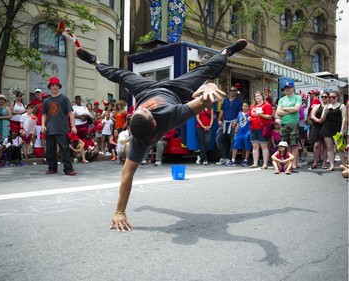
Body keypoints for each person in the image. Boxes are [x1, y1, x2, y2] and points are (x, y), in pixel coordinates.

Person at [76, 38, 248, 231]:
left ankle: (95, 62)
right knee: (205, 71)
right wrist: (119, 212)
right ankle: (225, 53)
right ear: (153, 123)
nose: (144, 110)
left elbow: (126, 174)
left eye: (141, 111)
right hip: (175, 90)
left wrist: (207, 88)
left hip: (145, 90)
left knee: (121, 75)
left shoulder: (156, 116)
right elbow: (127, 175)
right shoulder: (163, 121)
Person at [41, 77, 77, 176]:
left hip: (62, 128)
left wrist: (73, 126)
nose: (55, 87)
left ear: (59, 87)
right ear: (50, 87)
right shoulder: (46, 101)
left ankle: (68, 169)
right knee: (50, 150)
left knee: (64, 149)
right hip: (50, 128)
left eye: (56, 85)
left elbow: (70, 113)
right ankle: (52, 168)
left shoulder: (64, 98)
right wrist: (43, 125)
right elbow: (44, 114)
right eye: (53, 85)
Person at [276, 81, 302, 172]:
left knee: (294, 144)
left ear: (293, 88)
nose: (287, 89)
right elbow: (278, 112)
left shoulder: (297, 97)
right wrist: (291, 110)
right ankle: (287, 163)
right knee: (285, 144)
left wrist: (284, 109)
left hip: (294, 123)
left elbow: (297, 108)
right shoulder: (282, 99)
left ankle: (294, 163)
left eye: (289, 87)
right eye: (286, 88)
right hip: (284, 123)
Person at [215, 85, 243, 165]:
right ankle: (224, 157)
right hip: (225, 123)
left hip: (233, 123)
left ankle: (230, 159)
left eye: (234, 90)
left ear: (236, 92)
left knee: (232, 141)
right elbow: (222, 110)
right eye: (231, 90)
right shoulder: (226, 101)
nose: (232, 92)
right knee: (218, 139)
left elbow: (240, 113)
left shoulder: (239, 102)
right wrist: (219, 120)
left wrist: (237, 122)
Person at [319, 91, 347, 171]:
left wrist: (342, 130)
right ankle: (332, 165)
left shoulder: (342, 106)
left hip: (337, 127)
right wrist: (325, 113)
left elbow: (344, 118)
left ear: (338, 97)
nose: (331, 98)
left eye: (333, 97)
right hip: (327, 127)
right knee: (329, 147)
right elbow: (322, 119)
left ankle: (344, 165)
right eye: (330, 97)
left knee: (339, 147)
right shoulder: (327, 106)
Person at [248, 91, 273, 169]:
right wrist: (249, 118)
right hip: (253, 128)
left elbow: (269, 116)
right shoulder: (252, 106)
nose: (257, 97)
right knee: (255, 146)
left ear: (262, 96)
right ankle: (255, 163)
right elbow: (249, 115)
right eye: (255, 96)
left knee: (264, 146)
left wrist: (261, 115)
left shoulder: (267, 105)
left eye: (258, 96)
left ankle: (265, 164)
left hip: (262, 128)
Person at [226, 101, 251, 167]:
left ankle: (245, 160)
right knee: (235, 146)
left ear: (249, 107)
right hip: (240, 132)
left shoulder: (250, 114)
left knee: (247, 146)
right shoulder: (239, 113)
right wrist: (234, 124)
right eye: (243, 106)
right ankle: (233, 160)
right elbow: (237, 121)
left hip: (247, 132)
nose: (244, 107)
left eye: (246, 106)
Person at [308, 92, 329, 170]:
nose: (323, 98)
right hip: (317, 126)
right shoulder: (317, 106)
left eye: (325, 97)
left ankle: (324, 163)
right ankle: (315, 162)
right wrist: (318, 120)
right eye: (322, 97)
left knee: (325, 146)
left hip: (327, 126)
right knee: (317, 145)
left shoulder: (330, 107)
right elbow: (312, 115)